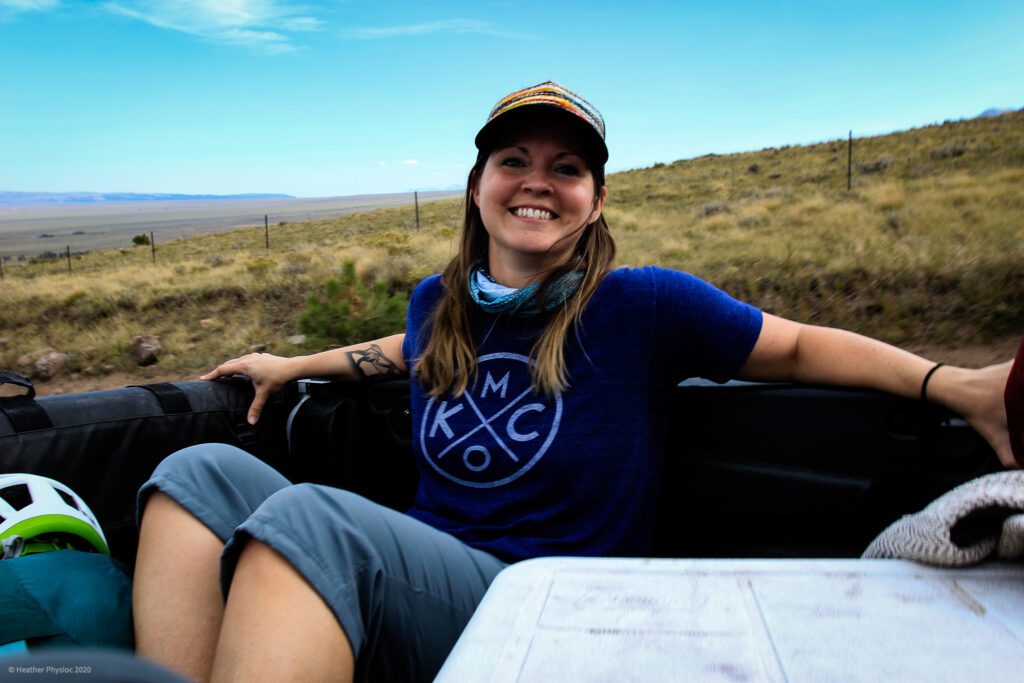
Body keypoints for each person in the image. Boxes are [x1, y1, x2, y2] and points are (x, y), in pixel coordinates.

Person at [132, 81, 1018, 682]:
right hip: (430, 564)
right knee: (198, 470)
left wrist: (956, 383)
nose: (537, 182)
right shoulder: (439, 303)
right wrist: (292, 366)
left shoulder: (646, 308)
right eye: (514, 160)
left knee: (305, 517)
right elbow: (405, 349)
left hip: (541, 591)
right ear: (477, 186)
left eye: (567, 168)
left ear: (594, 199)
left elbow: (793, 349)